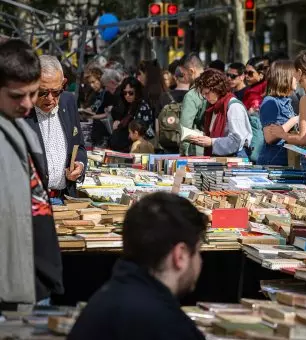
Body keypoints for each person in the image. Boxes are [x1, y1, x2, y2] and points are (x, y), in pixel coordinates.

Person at [67, 193, 207, 340]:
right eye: (198, 251)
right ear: (180, 255)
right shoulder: (169, 326)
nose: (200, 261)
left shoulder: (105, 300)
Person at [0, 39, 62, 306]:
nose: (27, 104)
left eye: (33, 93)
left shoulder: (21, 128)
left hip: (34, 282)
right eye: (16, 96)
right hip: (11, 288)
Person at [25, 55, 87, 199]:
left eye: (56, 91)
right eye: (43, 92)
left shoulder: (68, 101)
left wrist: (80, 165)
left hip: (64, 198)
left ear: (63, 84)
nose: (50, 98)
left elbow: (79, 146)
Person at [263, 51, 306, 182]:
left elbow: (303, 138)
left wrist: (283, 134)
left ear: (300, 73)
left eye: (295, 72)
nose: (294, 76)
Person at [187, 69, 252, 157]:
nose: (206, 97)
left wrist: (211, 142)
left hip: (234, 163)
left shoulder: (234, 107)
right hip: (221, 160)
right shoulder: (215, 106)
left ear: (217, 89)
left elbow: (237, 141)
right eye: (203, 94)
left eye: (207, 93)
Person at [258, 60, 299, 165]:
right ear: (285, 77)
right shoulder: (270, 102)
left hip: (285, 161)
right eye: (294, 76)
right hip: (273, 163)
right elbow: (269, 137)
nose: (297, 79)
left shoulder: (286, 100)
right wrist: (293, 121)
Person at [109, 77, 154, 152]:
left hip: (135, 149)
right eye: (125, 93)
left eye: (131, 93)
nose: (127, 95)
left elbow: (145, 132)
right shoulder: (127, 106)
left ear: (137, 92)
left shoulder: (143, 107)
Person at [180, 54, 207, 156]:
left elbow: (185, 129)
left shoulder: (192, 95)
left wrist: (183, 152)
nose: (183, 78)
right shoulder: (216, 86)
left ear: (191, 71)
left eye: (184, 74)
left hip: (198, 150)